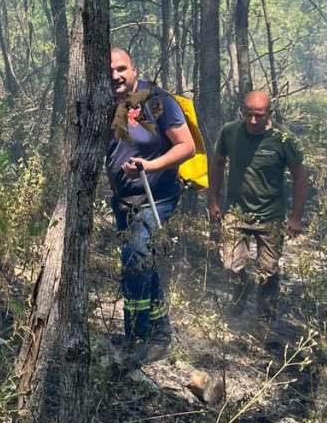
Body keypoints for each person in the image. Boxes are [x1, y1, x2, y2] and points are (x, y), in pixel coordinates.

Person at [108, 48, 195, 367]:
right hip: (123, 201)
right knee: (145, 263)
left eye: (121, 69)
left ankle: (136, 340)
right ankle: (160, 337)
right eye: (111, 71)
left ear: (134, 69)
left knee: (135, 262)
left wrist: (150, 165)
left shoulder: (157, 101)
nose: (116, 76)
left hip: (156, 196)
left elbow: (187, 146)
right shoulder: (104, 104)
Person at [207, 91, 309, 344]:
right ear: (242, 111)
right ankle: (240, 295)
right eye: (248, 114)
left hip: (271, 216)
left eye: (259, 116)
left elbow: (300, 177)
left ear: (269, 115)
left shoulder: (283, 139)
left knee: (268, 272)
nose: (253, 121)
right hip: (236, 213)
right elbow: (217, 164)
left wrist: (296, 217)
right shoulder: (229, 132)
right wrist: (213, 201)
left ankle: (264, 320)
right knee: (231, 265)